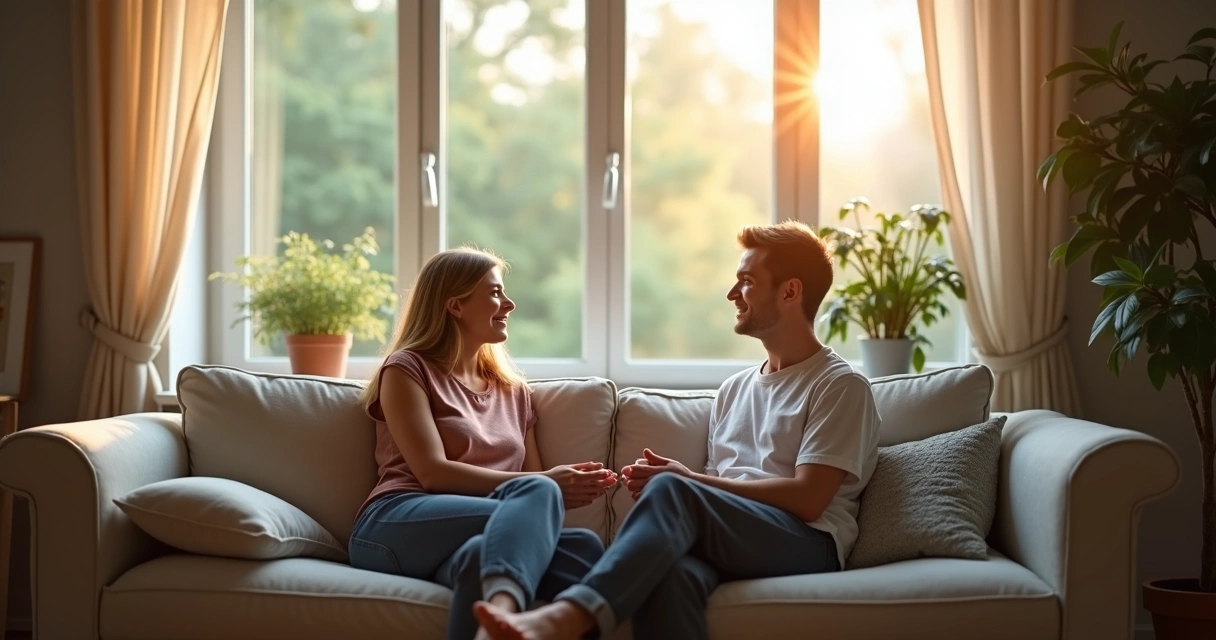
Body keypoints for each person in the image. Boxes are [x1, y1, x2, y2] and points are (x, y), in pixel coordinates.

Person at [473, 220, 881, 640]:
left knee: (674, 490)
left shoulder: (839, 385)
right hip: (737, 535)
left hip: (809, 543)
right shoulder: (734, 389)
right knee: (670, 572)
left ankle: (566, 619)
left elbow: (809, 499)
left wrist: (687, 483)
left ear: (790, 292)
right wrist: (691, 487)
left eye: (746, 281)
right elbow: (717, 490)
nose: (731, 294)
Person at [349, 247, 619, 640]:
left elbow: (533, 488)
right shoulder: (408, 369)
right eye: (494, 293)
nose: (508, 303)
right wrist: (549, 484)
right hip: (396, 522)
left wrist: (553, 486)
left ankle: (491, 626)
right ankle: (504, 612)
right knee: (539, 491)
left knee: (582, 548)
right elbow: (432, 473)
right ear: (456, 306)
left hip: (481, 530)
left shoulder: (514, 392)